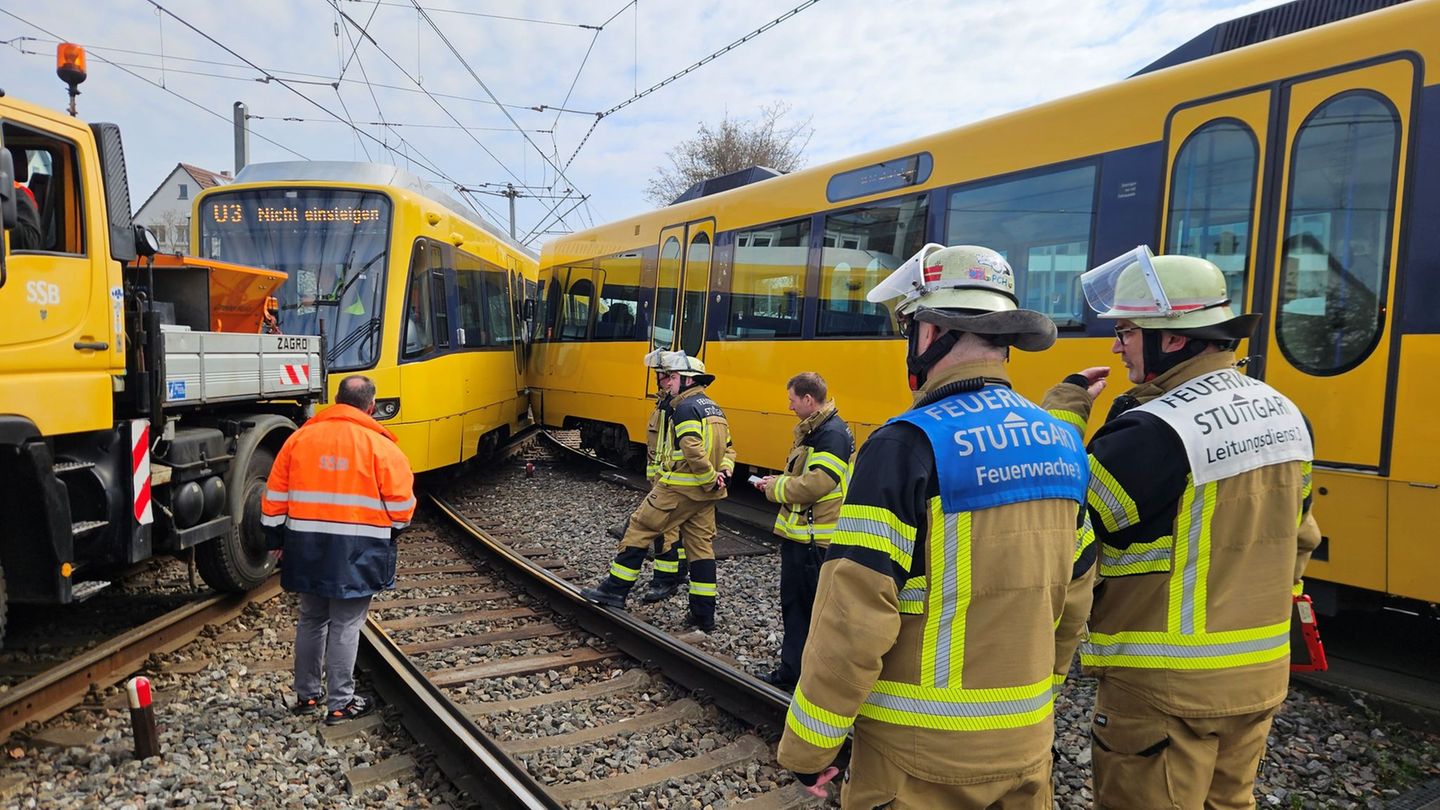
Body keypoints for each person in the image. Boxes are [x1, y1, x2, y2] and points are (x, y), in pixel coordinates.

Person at [776, 244, 1098, 808]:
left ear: (928, 335)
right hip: (1027, 744)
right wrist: (1038, 697)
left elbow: (853, 615)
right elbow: (1074, 598)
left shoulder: (905, 445)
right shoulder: (1062, 440)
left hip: (921, 760)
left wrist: (809, 747)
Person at [1043, 247, 1321, 809]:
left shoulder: (1154, 431)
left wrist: (1064, 412)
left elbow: (1054, 521)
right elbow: (1302, 536)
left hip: (1166, 686)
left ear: (1172, 339)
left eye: (1126, 331)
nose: (1117, 346)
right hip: (1259, 675)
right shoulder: (1287, 412)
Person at [261, 375, 417, 725]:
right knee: (346, 623)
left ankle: (307, 694)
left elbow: (273, 499)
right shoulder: (381, 446)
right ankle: (340, 703)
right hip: (356, 550)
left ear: (335, 399)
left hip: (304, 544)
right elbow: (403, 509)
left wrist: (275, 542)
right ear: (371, 406)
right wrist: (388, 531)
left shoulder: (299, 440)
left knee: (311, 618)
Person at [581, 350, 736, 631]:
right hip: (705, 497)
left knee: (638, 528)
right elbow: (730, 449)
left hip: (680, 489)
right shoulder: (714, 408)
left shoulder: (686, 408)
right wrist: (724, 472)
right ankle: (703, 615)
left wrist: (709, 477)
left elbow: (691, 449)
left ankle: (614, 590)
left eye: (673, 377)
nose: (667, 382)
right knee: (701, 549)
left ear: (688, 380)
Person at [754, 371, 853, 690]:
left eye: (793, 400)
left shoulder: (829, 434)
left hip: (812, 540)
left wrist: (774, 487)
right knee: (804, 608)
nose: (789, 406)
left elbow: (817, 484)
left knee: (800, 609)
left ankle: (795, 674)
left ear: (809, 400)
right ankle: (802, 670)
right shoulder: (822, 429)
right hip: (808, 537)